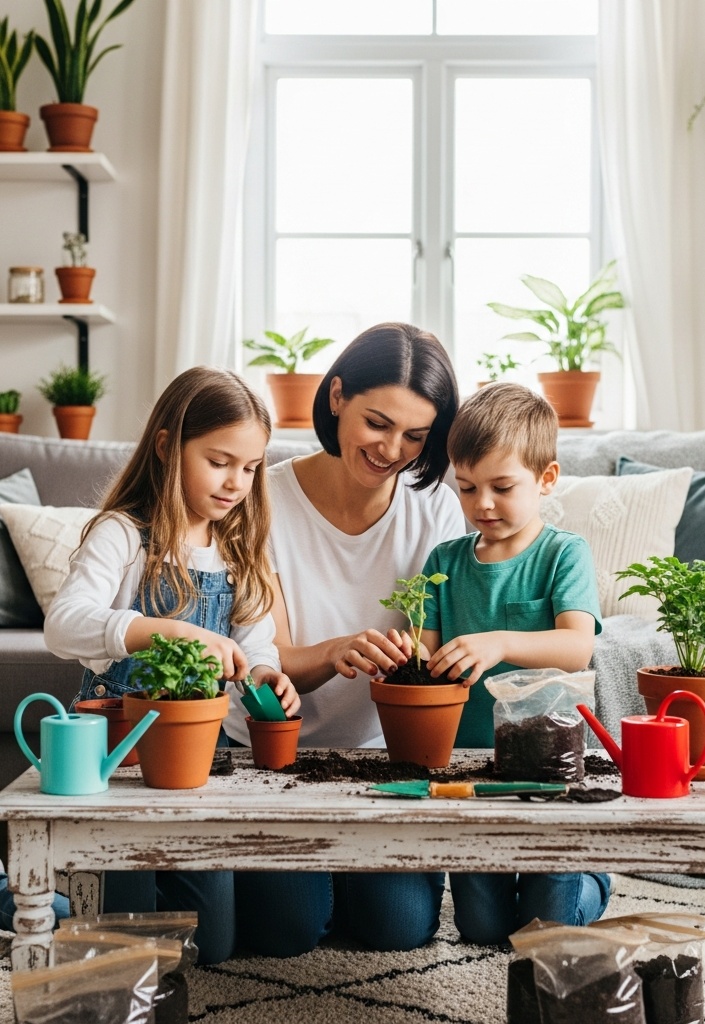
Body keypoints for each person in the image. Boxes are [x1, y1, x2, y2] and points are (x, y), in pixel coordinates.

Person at [0, 367, 300, 965]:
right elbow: (65, 624)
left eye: (251, 467)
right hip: (115, 766)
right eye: (219, 461)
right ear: (167, 446)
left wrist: (264, 675)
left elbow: (255, 645)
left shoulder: (239, 546)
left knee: (209, 945)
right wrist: (168, 630)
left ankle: (92, 900)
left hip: (196, 768)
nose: (237, 482)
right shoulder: (124, 535)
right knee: (125, 945)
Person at [228, 322, 467, 957]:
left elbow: (435, 650)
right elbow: (268, 655)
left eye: (415, 436)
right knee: (286, 931)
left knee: (400, 928)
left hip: (380, 761)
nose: (391, 450)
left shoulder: (437, 509)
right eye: (377, 423)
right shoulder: (263, 497)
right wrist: (336, 652)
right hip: (273, 753)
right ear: (336, 397)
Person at [417, 382, 611, 942]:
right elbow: (423, 657)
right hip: (470, 767)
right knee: (482, 929)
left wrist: (500, 642)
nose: (482, 503)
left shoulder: (563, 552)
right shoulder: (444, 561)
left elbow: (576, 646)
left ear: (546, 479)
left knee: (545, 926)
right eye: (467, 487)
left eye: (502, 487)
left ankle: (593, 875)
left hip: (550, 766)